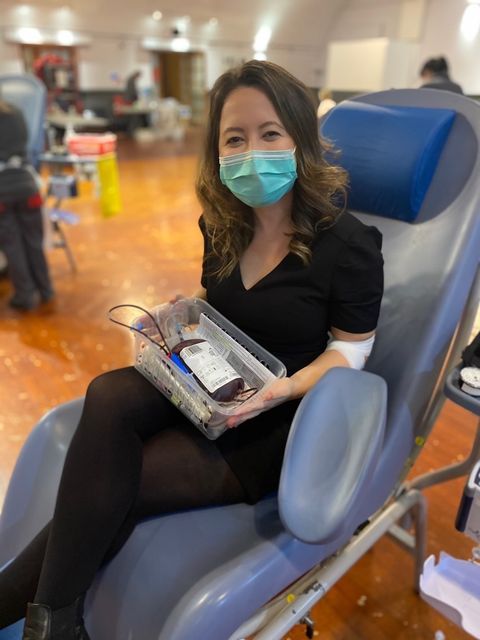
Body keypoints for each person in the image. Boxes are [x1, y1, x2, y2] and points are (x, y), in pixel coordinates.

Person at [0, 60, 383, 639]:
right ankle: (57, 622)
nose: (252, 152)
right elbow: (216, 297)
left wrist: (284, 389)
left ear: (301, 140)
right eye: (235, 138)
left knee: (121, 485)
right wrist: (179, 311)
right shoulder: (224, 223)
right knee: (107, 393)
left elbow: (350, 353)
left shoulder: (349, 245)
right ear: (218, 150)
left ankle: (43, 619)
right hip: (211, 381)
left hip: (274, 415)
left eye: (270, 133)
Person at [0, 99, 54, 310]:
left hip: (3, 191)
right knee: (34, 242)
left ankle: (24, 296)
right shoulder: (15, 112)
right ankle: (46, 290)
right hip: (27, 185)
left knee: (12, 246)